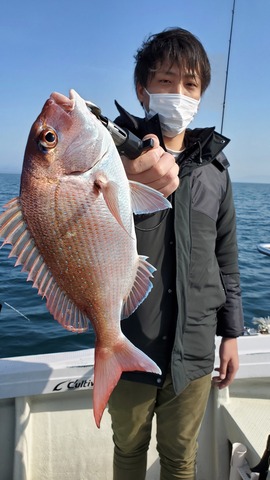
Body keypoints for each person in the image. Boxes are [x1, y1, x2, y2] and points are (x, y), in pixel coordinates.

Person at [108, 27, 244, 480]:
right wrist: (127, 184)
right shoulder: (113, 156)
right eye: (165, 81)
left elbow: (226, 256)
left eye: (190, 84)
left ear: (201, 94)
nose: (178, 93)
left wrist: (232, 334)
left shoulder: (216, 171)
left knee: (181, 458)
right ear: (143, 88)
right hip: (129, 342)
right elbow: (76, 226)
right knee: (128, 449)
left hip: (197, 346)